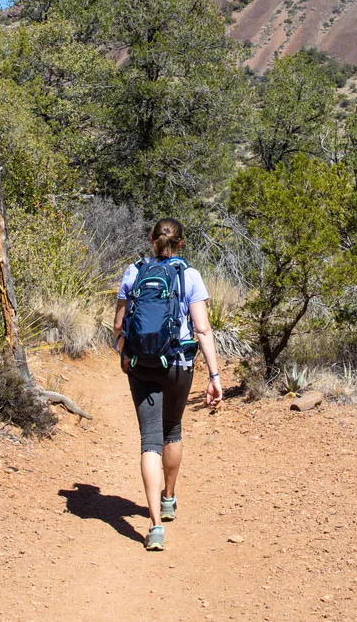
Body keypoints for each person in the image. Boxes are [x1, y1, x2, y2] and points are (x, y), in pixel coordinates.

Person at [113, 218, 222, 551]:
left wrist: (124, 354)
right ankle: (169, 499)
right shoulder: (189, 275)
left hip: (143, 364)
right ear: (182, 244)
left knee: (150, 441)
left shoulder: (133, 273)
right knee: (172, 428)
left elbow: (118, 324)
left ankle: (155, 528)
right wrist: (215, 377)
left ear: (151, 239)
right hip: (178, 364)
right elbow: (202, 329)